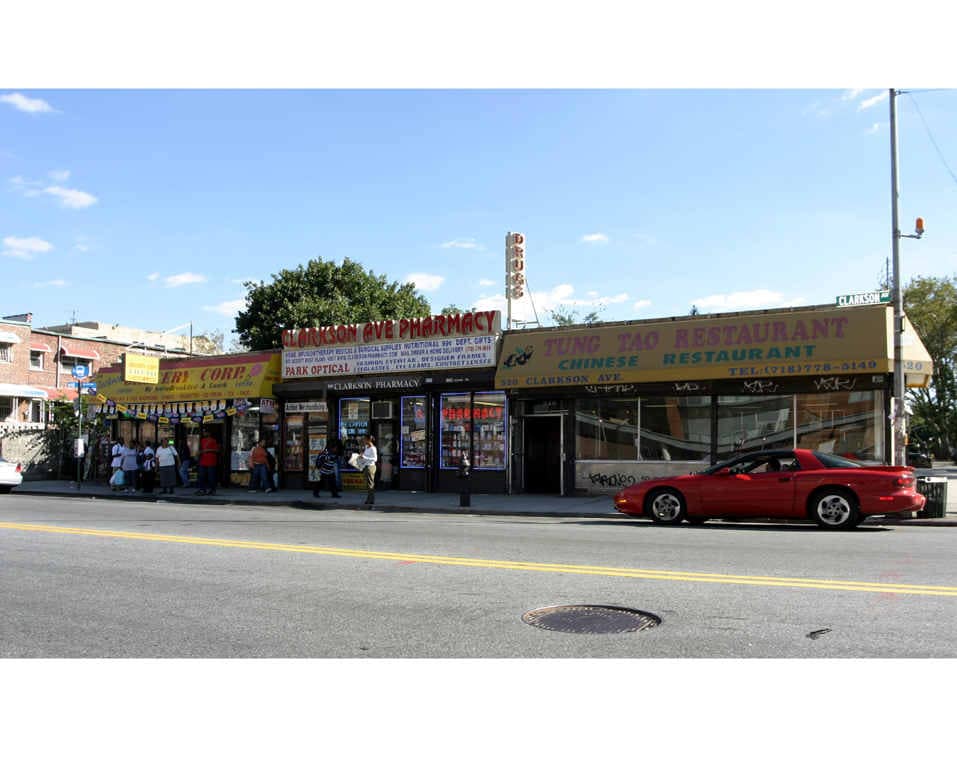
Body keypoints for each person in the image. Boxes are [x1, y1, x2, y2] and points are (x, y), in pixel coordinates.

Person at [196, 429, 219, 496]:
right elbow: (201, 449)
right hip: (203, 461)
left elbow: (217, 450)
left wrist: (207, 450)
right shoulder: (202, 440)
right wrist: (199, 453)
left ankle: (212, 490)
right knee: (201, 476)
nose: (204, 433)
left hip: (211, 461)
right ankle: (202, 490)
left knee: (211, 477)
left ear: (209, 433)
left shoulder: (213, 440)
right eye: (203, 432)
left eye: (205, 432)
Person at [360, 435, 377, 505]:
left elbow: (375, 459)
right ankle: (370, 499)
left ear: (369, 440)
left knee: (370, 484)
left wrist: (364, 457)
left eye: (365, 439)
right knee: (368, 484)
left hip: (371, 466)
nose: (364, 441)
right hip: (366, 466)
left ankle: (370, 499)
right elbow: (365, 456)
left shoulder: (373, 448)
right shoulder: (367, 447)